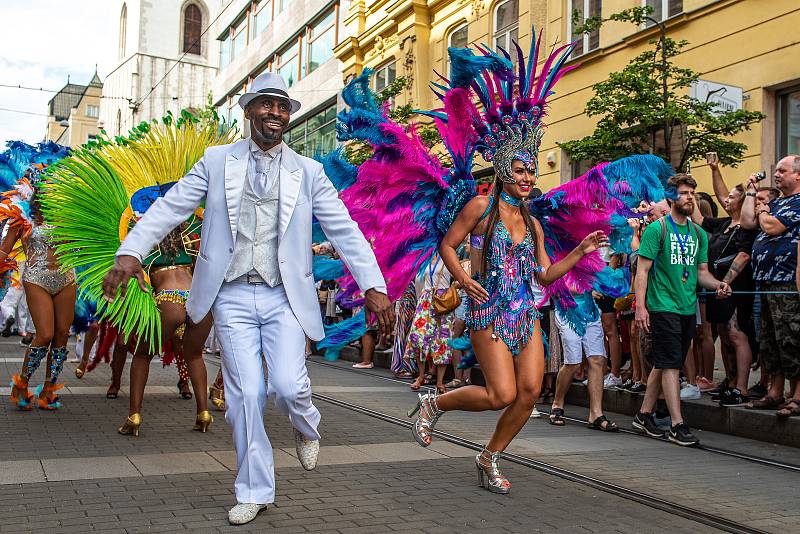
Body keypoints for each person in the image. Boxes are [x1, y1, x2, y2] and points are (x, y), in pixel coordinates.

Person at [102, 73, 393, 525]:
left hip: (285, 296)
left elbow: (344, 229)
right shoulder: (216, 161)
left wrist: (373, 284)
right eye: (266, 104)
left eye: (282, 106)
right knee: (246, 394)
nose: (275, 112)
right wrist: (131, 251)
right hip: (232, 294)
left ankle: (306, 424)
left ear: (289, 115)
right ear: (249, 109)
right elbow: (171, 206)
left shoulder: (309, 172)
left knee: (290, 386)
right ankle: (254, 490)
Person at [633, 174, 731, 446]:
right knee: (672, 364)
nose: (690, 198)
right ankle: (677, 423)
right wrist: (641, 307)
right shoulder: (658, 229)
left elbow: (702, 273)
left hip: (688, 307)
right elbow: (642, 270)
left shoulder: (698, 234)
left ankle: (643, 415)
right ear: (672, 196)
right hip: (663, 305)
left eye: (692, 193)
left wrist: (718, 284)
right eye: (685, 193)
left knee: (666, 362)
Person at [5, 167, 76, 410]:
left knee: (62, 335)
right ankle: (21, 384)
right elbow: (4, 250)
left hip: (66, 278)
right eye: (46, 187)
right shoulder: (22, 215)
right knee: (44, 335)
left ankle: (48, 390)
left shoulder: (69, 216)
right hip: (37, 278)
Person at [690, 153, 757, 406]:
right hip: (717, 286)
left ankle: (742, 386)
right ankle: (729, 381)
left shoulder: (747, 227)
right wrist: (710, 173)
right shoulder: (722, 224)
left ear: (742, 202)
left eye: (732, 197)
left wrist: (726, 282)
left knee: (736, 333)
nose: (726, 199)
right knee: (724, 334)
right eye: (726, 196)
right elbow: (698, 218)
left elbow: (742, 256)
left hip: (735, 287)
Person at [741, 156, 800, 417]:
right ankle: (775, 391)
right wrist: (752, 193)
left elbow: (771, 227)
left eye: (782, 170)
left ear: (798, 175)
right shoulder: (776, 203)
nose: (776, 174)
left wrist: (763, 210)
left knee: (791, 338)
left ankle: (797, 395)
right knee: (769, 339)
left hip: (787, 281)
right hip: (765, 280)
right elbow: (747, 222)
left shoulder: (797, 203)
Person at [549, 291, 618, 431]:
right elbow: (558, 282)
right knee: (573, 362)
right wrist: (588, 289)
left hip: (590, 310)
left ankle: (596, 414)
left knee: (597, 360)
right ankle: (557, 402)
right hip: (567, 310)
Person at [406, 253, 455, 393]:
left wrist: (452, 289)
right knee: (417, 337)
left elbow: (459, 277)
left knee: (442, 340)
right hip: (426, 299)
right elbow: (418, 280)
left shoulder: (449, 254)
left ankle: (440, 382)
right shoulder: (425, 257)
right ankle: (421, 376)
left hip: (443, 300)